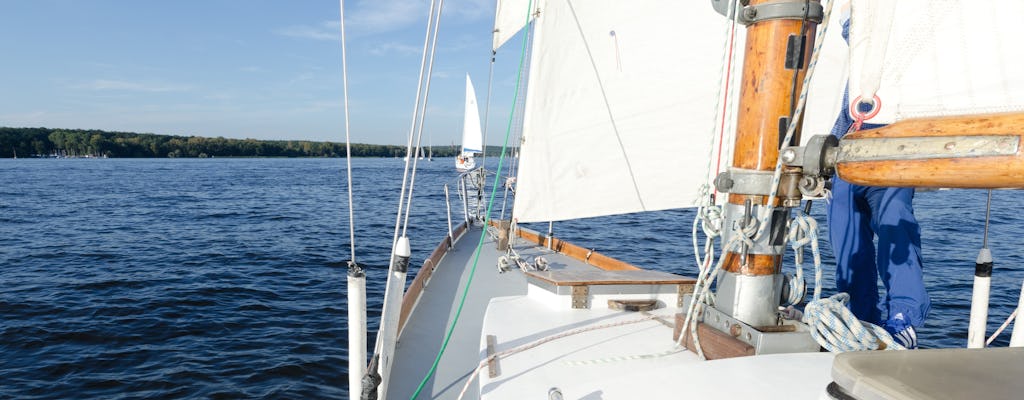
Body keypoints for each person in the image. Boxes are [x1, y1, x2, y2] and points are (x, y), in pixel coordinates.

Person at [826, 18, 930, 349]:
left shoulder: (907, 45)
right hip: (846, 149)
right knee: (848, 243)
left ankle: (903, 319)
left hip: (894, 147)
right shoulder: (860, 56)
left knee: (895, 229)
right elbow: (855, 30)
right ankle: (860, 319)